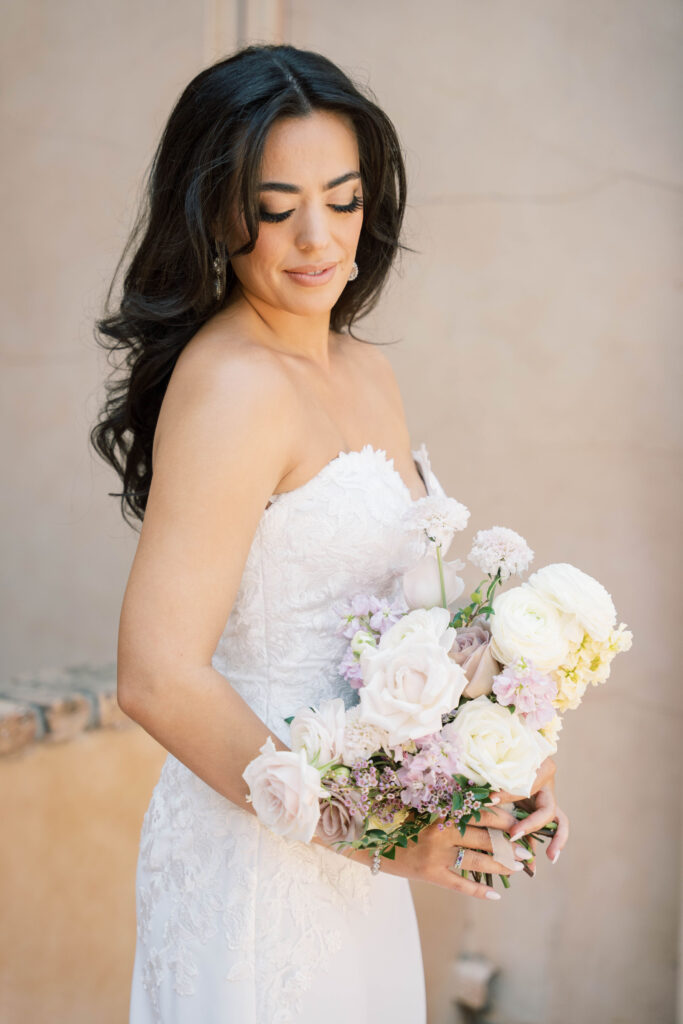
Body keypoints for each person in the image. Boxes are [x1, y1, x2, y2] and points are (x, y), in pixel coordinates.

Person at [90, 43, 568, 1024]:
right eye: (276, 205)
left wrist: (498, 760)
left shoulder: (360, 369)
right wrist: (380, 833)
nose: (317, 237)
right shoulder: (232, 388)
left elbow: (393, 629)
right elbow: (156, 674)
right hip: (261, 857)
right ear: (219, 210)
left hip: (351, 856)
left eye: (342, 199)